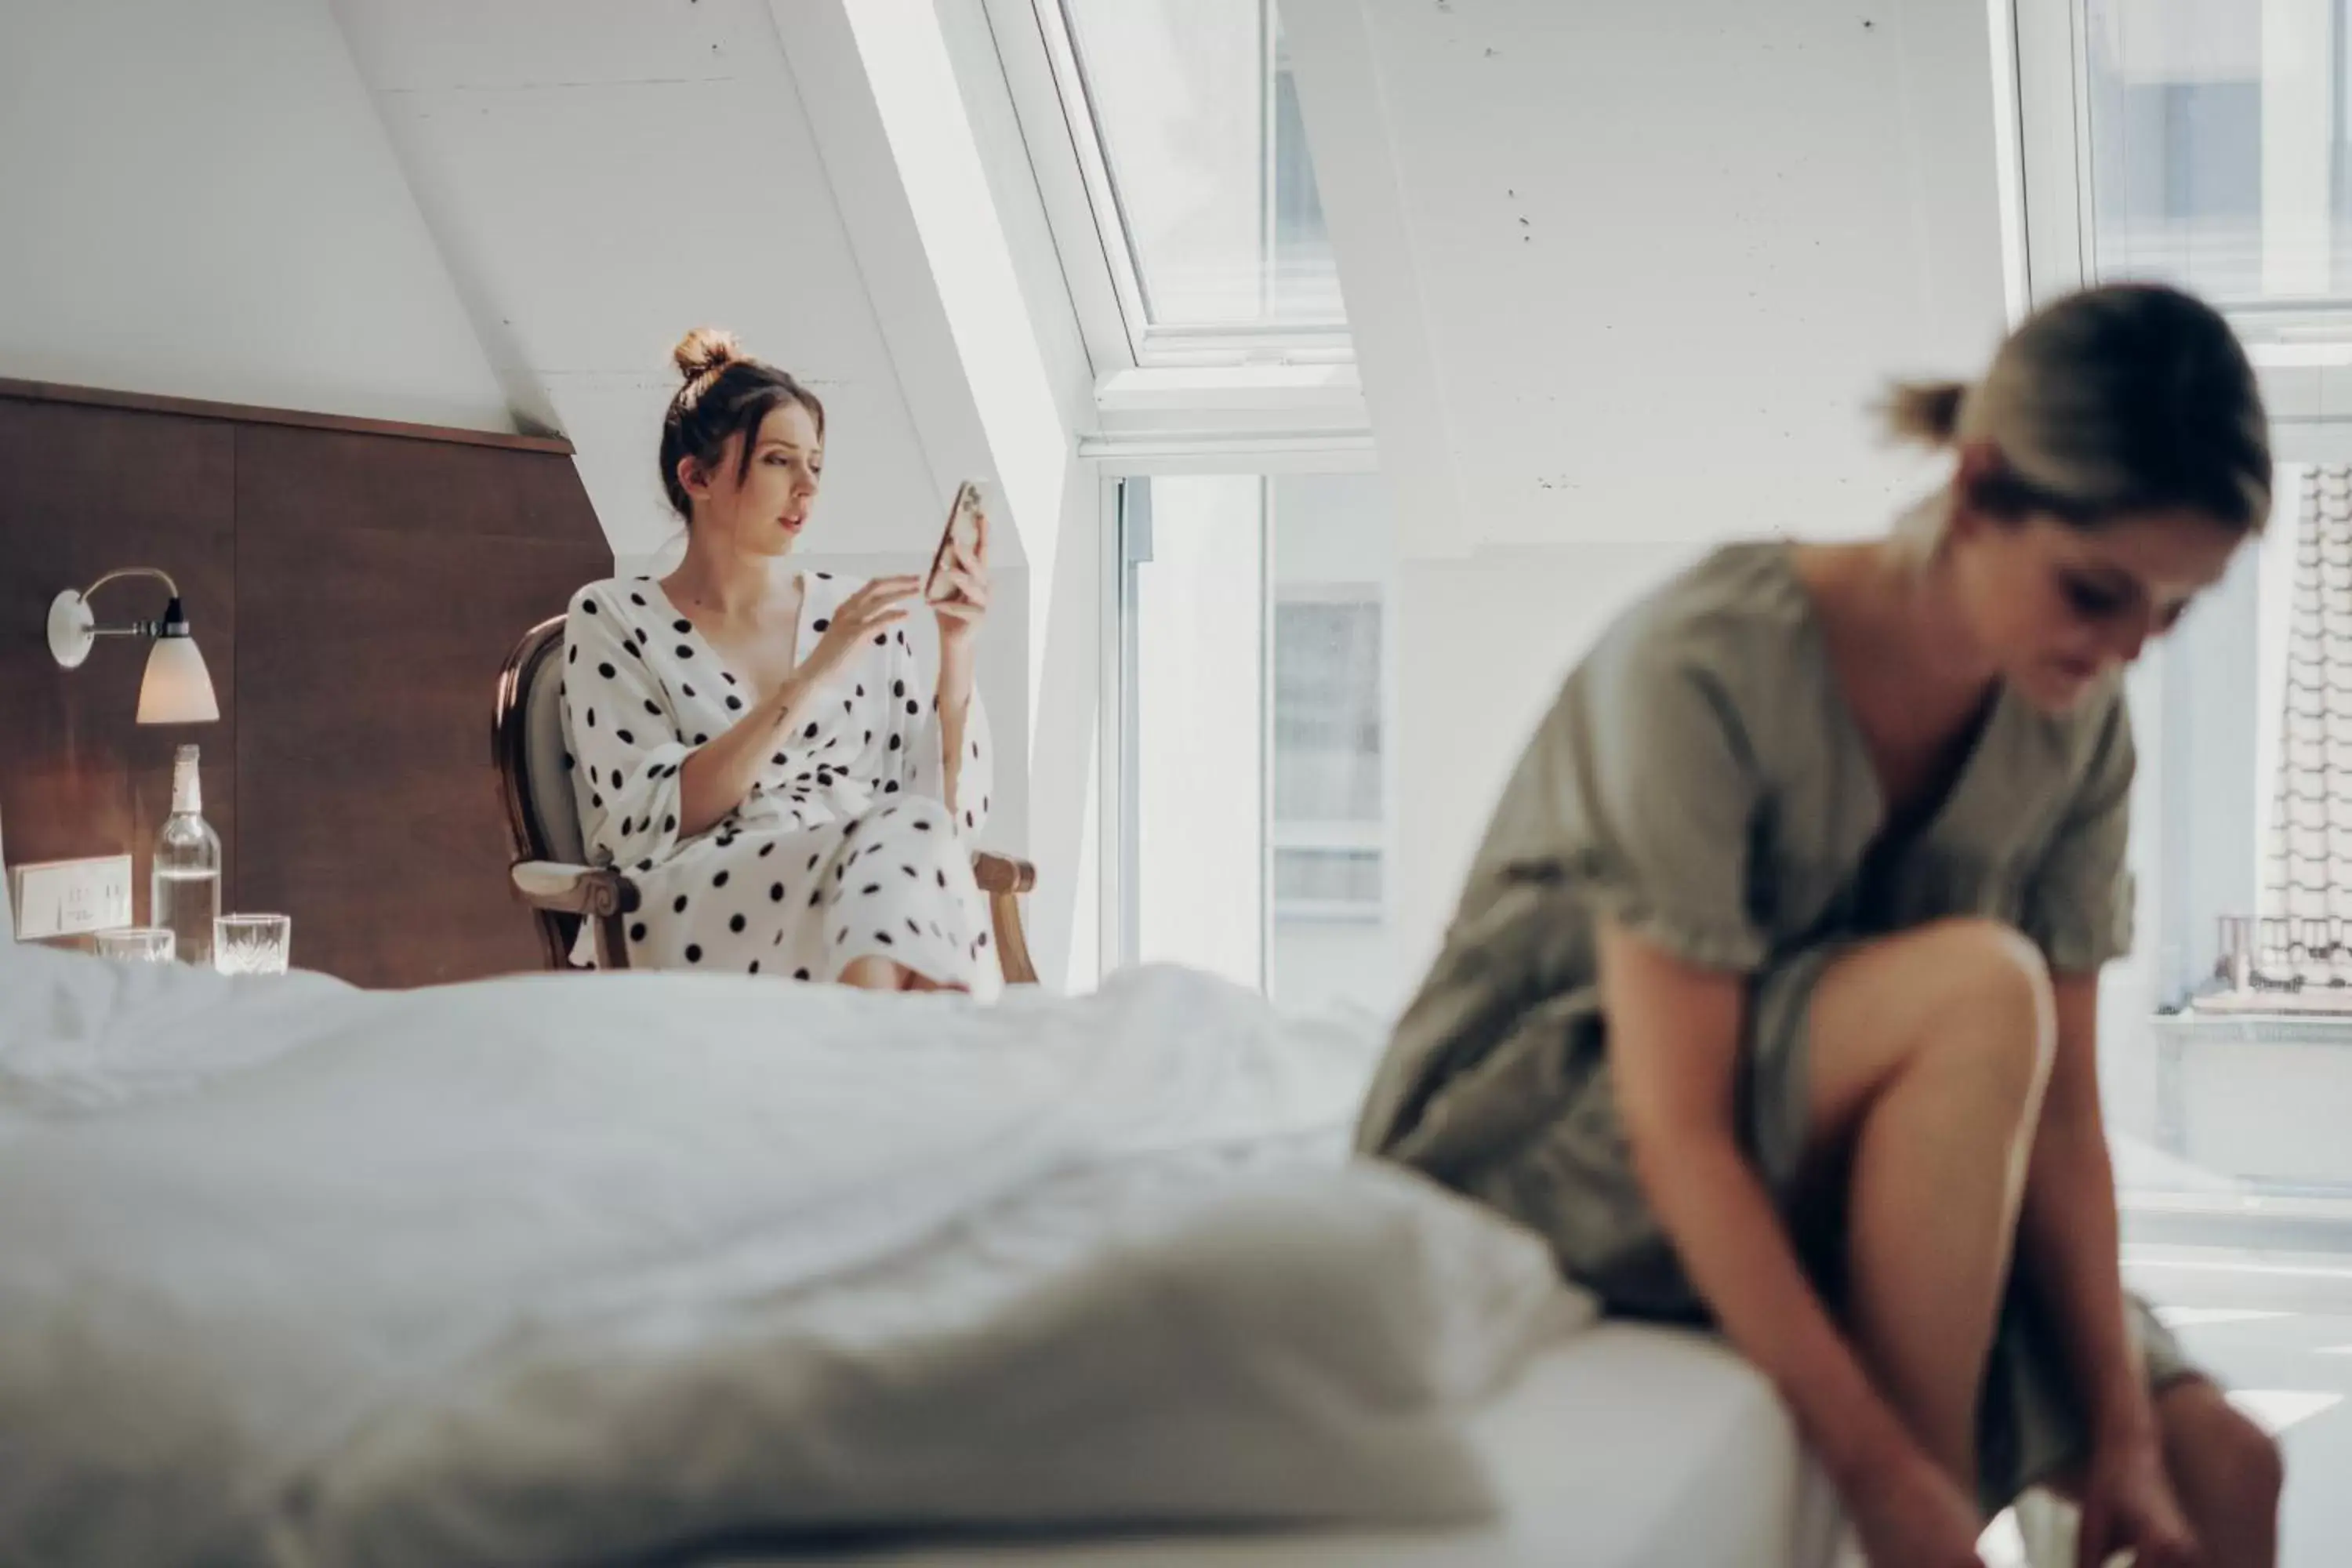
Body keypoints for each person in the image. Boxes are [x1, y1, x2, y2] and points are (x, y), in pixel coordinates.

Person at [1358, 284, 2283, 1567]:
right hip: (1555, 1132)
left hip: (1848, 1136)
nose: (2131, 649)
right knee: (1980, 988)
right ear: (1977, 493)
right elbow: (1676, 1127)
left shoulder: (2074, 727)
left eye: (2175, 611)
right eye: (2098, 593)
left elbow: (2062, 1115)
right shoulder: (1704, 664)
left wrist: (2126, 1436)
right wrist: (1896, 1484)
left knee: (2232, 1474)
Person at [559, 328, 998, 993]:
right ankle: (913, 1069)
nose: (806, 488)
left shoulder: (850, 611)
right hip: (699, 897)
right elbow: (649, 823)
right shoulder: (613, 618)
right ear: (696, 476)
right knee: (901, 869)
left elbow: (939, 806)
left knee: (910, 849)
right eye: (777, 461)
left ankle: (876, 1056)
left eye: (815, 464)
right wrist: (813, 673)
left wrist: (957, 648)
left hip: (857, 880)